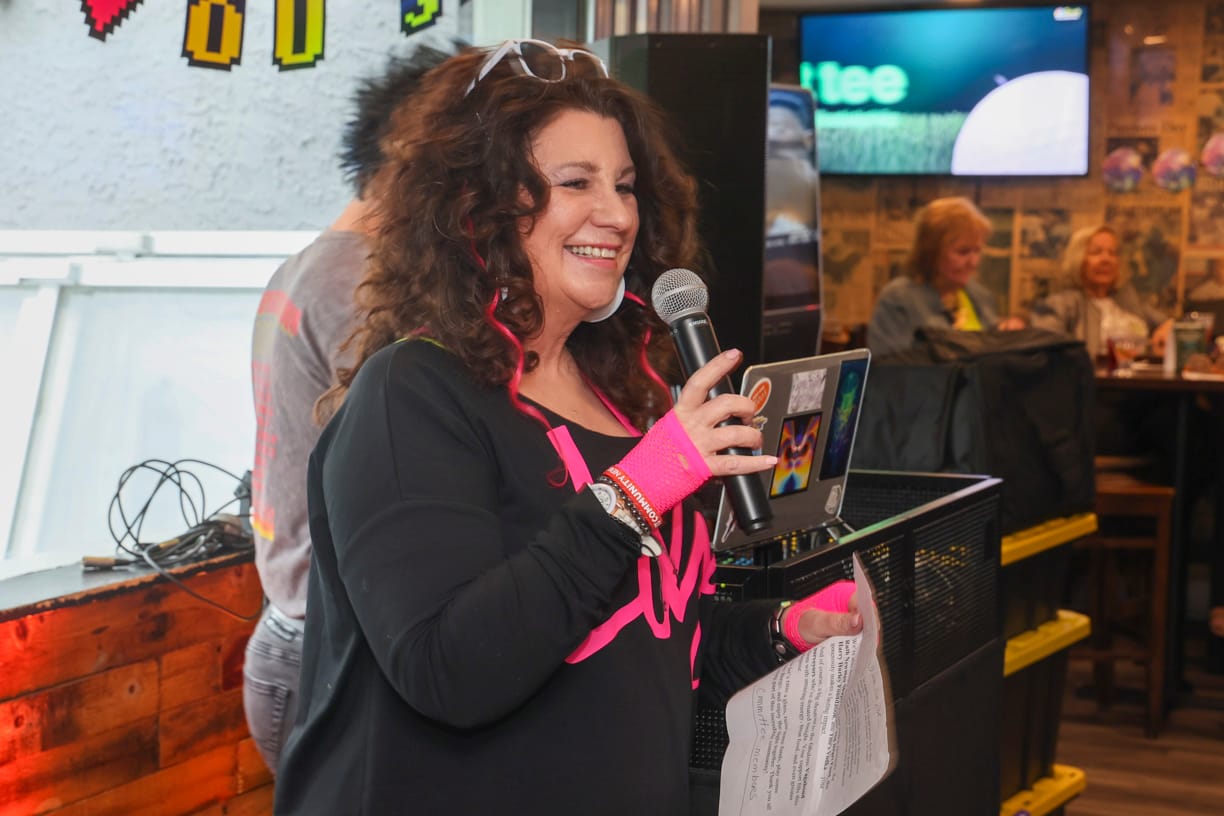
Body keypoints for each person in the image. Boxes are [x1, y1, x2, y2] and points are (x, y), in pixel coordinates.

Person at [274, 40, 863, 814]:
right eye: (575, 183)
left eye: (625, 185)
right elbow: (449, 670)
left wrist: (781, 631)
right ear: (479, 205)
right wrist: (641, 488)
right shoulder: (411, 393)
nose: (616, 215)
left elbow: (639, 635)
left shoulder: (615, 396)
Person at [245, 44, 453, 774]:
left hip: (305, 635)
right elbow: (413, 462)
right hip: (324, 650)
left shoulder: (317, 262)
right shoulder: (358, 280)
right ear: (411, 154)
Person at [867, 196, 1024, 356]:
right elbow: (889, 365)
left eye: (977, 251)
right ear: (931, 251)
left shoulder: (980, 296)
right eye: (963, 252)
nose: (973, 262)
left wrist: (1006, 334)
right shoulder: (898, 299)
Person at [1029, 224, 1172, 361]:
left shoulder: (1128, 300)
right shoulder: (1059, 306)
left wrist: (1167, 330)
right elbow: (1046, 354)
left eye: (1112, 253)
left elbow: (1173, 326)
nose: (1106, 259)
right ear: (1078, 259)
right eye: (1096, 252)